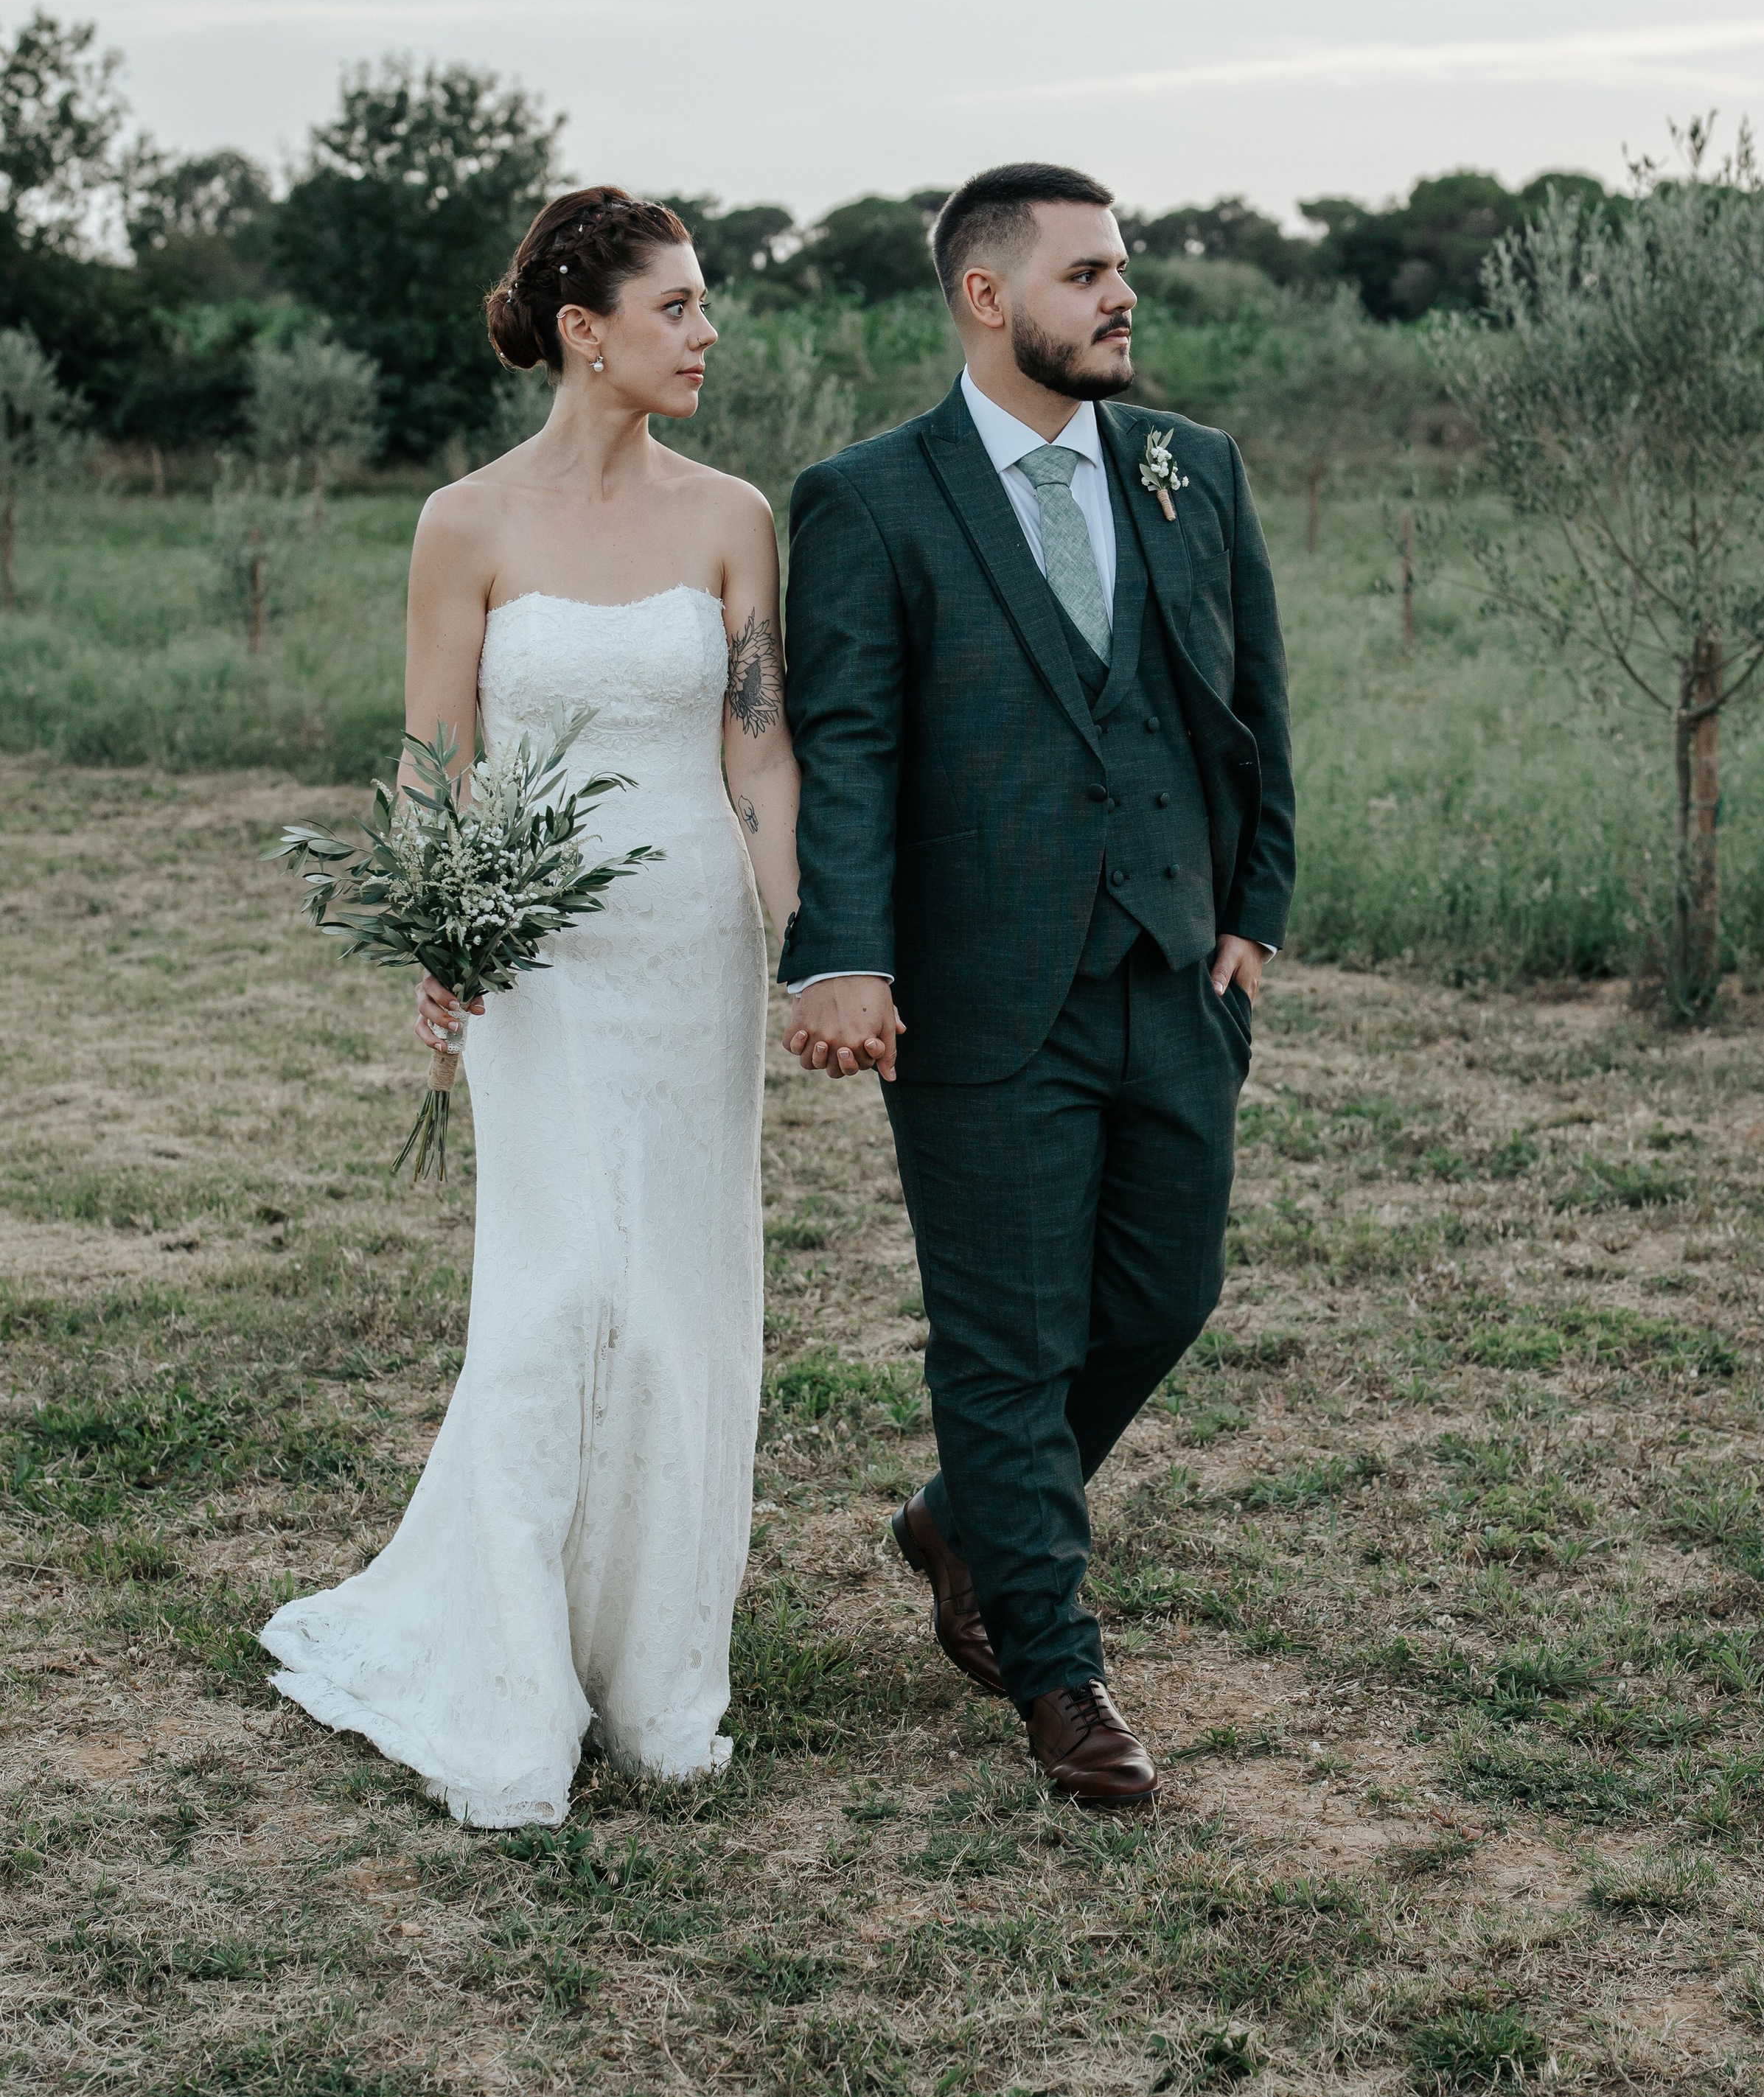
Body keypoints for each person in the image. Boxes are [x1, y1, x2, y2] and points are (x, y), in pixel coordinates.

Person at [261, 190, 799, 1827]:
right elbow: (437, 758)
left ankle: (656, 1675)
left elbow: (758, 750)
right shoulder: (463, 525)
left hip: (690, 944)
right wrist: (440, 922)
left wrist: (806, 948)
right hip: (537, 960)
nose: (706, 334)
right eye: (679, 308)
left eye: (706, 308)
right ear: (586, 331)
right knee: (560, 1287)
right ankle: (508, 1670)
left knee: (681, 1297)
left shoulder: (732, 519)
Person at [780, 162, 1294, 1809]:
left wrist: (1251, 910)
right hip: (978, 988)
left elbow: (1248, 700)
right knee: (1005, 1343)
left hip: (1169, 966)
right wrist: (840, 950)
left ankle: (954, 1518)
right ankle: (1055, 1671)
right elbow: (845, 746)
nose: (1119, 296)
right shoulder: (870, 498)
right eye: (1085, 274)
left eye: (1121, 269)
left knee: (1161, 1296)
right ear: (986, 298)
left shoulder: (1184, 469)